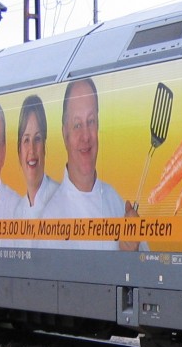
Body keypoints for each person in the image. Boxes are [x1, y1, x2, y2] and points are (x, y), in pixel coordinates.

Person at [43, 78, 140, 251]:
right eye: (77, 125)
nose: (85, 136)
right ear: (65, 134)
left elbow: (152, 268)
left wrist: (134, 253)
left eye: (91, 121)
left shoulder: (115, 202)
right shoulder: (51, 218)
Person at [14, 94, 59, 217]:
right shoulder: (18, 212)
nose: (32, 150)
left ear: (44, 146)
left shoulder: (60, 197)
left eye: (37, 139)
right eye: (26, 140)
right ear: (19, 151)